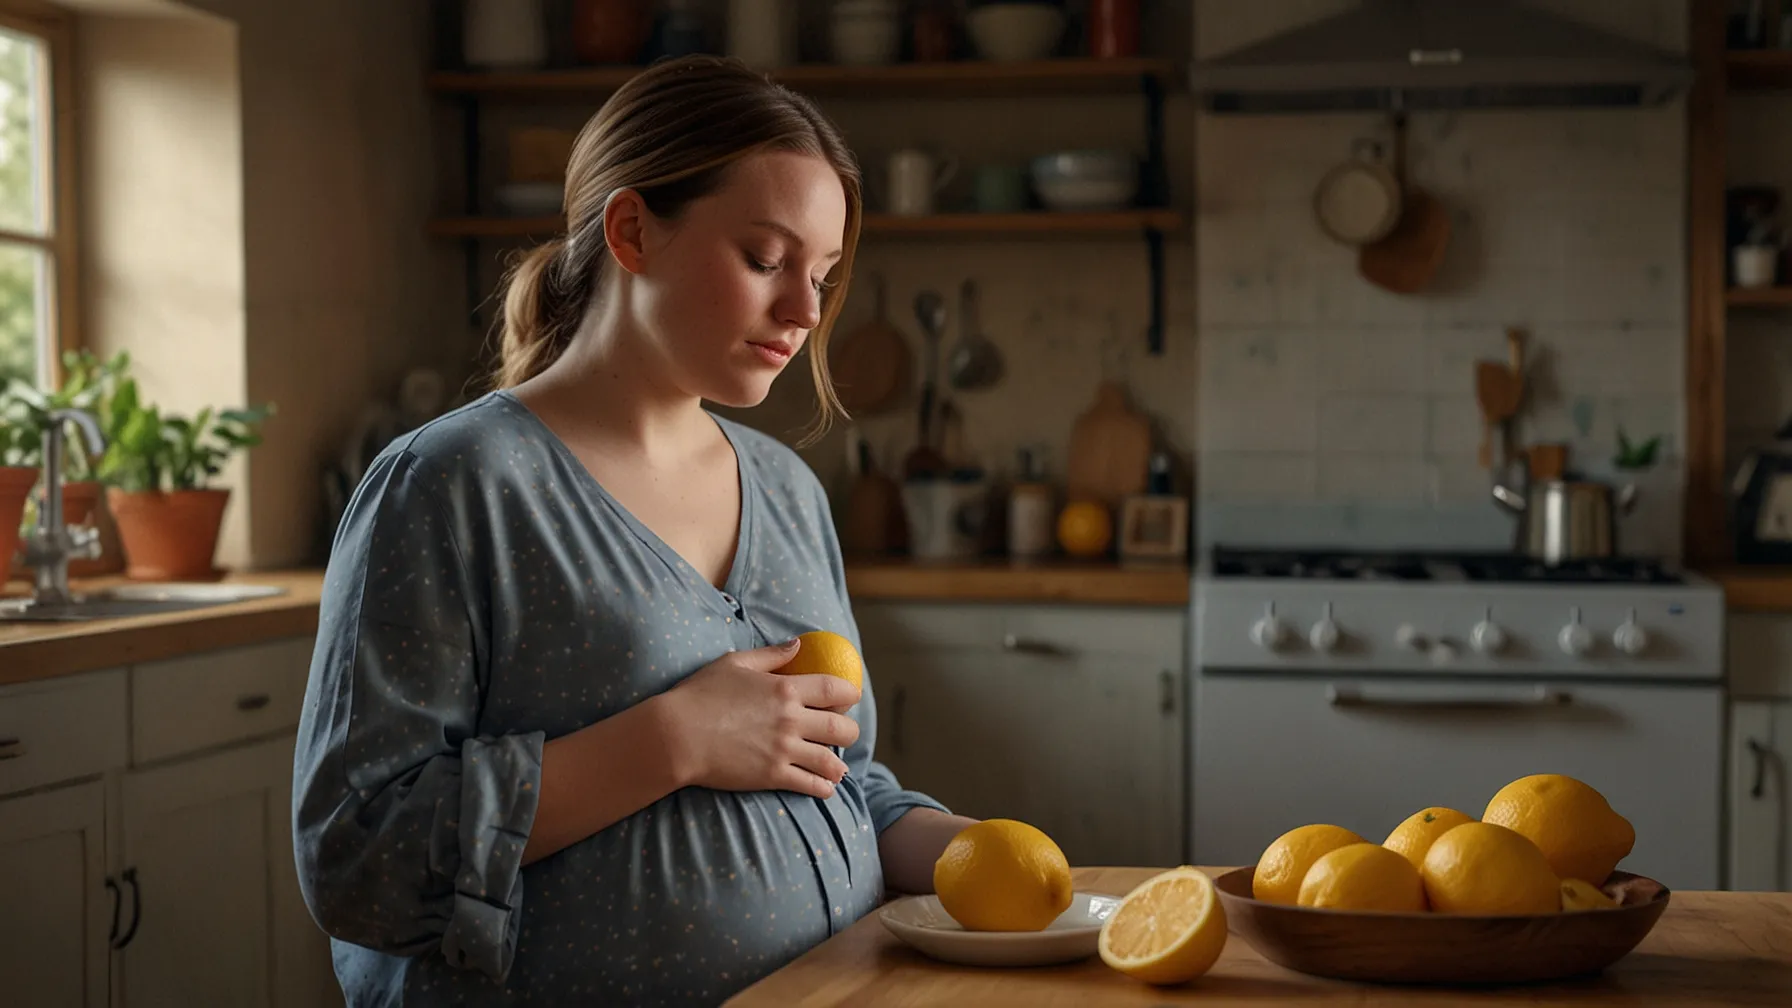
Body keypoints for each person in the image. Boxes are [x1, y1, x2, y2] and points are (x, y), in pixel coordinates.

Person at [291, 54, 978, 1005]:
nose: (807, 311)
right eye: (767, 260)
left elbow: (841, 781)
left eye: (820, 274)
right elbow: (357, 855)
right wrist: (673, 739)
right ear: (630, 230)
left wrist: (983, 855)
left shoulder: (786, 489)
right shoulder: (449, 486)